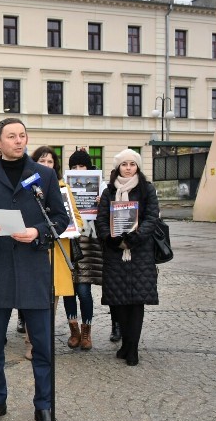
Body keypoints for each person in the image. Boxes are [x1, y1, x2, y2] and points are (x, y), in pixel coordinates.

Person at [0, 118, 69, 421]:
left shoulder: (45, 175)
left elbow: (60, 218)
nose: (18, 141)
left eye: (22, 136)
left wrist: (38, 232)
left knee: (43, 344)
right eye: (11, 136)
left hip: (33, 267)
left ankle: (44, 406)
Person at [95, 149, 160, 367]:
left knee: (136, 302)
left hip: (140, 253)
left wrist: (135, 238)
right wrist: (111, 238)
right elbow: (101, 219)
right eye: (124, 164)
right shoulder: (109, 192)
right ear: (118, 168)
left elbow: (152, 218)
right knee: (118, 302)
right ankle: (126, 343)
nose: (128, 167)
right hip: (115, 254)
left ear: (138, 167)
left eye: (132, 164)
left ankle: (133, 348)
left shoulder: (147, 189)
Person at [30, 146, 84, 353]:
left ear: (55, 166)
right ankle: (33, 340)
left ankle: (45, 340)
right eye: (41, 161)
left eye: (50, 162)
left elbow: (76, 218)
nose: (45, 165)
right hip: (35, 249)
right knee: (34, 297)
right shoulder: (27, 187)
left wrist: (71, 228)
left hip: (59, 251)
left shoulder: (63, 188)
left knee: (52, 298)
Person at [62, 149, 108, 349]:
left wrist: (102, 204)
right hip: (70, 239)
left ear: (89, 168)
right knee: (68, 289)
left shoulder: (101, 186)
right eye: (74, 167)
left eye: (82, 166)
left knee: (84, 290)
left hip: (89, 240)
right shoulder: (63, 186)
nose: (79, 170)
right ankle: (74, 330)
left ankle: (87, 331)